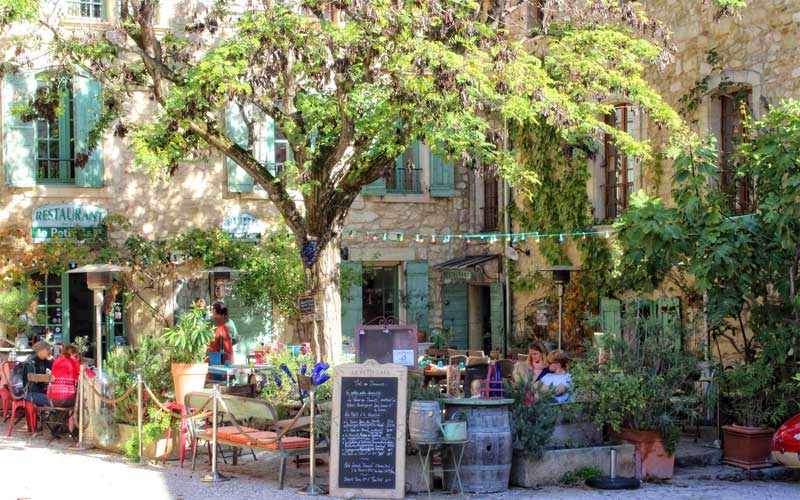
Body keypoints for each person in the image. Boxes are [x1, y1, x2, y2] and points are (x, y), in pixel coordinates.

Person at [24, 341, 53, 406]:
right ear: (40, 350)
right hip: (31, 393)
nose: (49, 351)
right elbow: (32, 382)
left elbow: (53, 372)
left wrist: (52, 361)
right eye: (47, 349)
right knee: (53, 401)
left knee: (58, 398)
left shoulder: (46, 361)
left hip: (42, 390)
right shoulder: (31, 363)